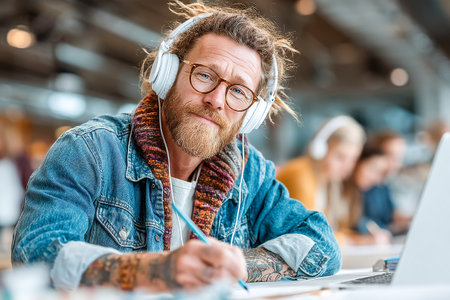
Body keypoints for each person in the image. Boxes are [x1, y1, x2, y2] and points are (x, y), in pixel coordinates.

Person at [12, 1, 341, 292]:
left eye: (238, 92)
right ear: (167, 75)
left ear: (250, 115)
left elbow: (321, 244)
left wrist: (239, 264)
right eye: (205, 76)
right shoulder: (90, 151)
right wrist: (156, 270)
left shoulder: (249, 173)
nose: (216, 100)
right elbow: (36, 255)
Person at [276, 116, 365, 231]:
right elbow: (311, 232)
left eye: (353, 159)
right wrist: (354, 241)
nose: (347, 166)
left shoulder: (327, 181)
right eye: (340, 157)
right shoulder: (300, 174)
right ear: (320, 150)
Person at [340, 143, 392, 245]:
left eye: (380, 173)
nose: (376, 179)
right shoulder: (338, 189)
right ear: (357, 162)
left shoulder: (355, 193)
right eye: (373, 169)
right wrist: (362, 240)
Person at [361, 131, 411, 235]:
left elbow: (392, 213)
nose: (396, 163)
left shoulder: (384, 184)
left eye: (399, 157)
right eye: (391, 156)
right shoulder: (366, 183)